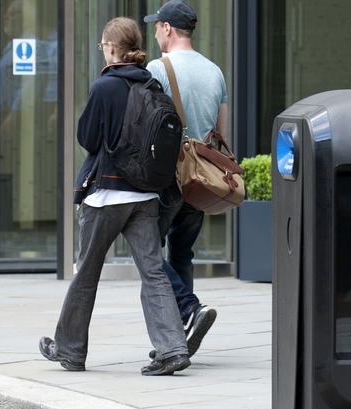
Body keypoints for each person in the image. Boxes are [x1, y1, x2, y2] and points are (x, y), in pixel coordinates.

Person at [38, 17, 190, 376]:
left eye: (104, 46)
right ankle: (173, 348)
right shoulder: (153, 85)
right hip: (146, 197)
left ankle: (70, 351)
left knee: (86, 273)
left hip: (106, 194)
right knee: (153, 272)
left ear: (109, 47)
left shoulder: (104, 87)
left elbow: (88, 140)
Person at [143, 0, 224, 359]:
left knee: (147, 252)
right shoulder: (215, 71)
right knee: (182, 253)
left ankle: (189, 310)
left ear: (168, 29)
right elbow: (221, 134)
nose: (155, 32)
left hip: (169, 176)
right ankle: (183, 336)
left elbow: (148, 129)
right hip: (201, 177)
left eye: (157, 26)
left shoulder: (157, 68)